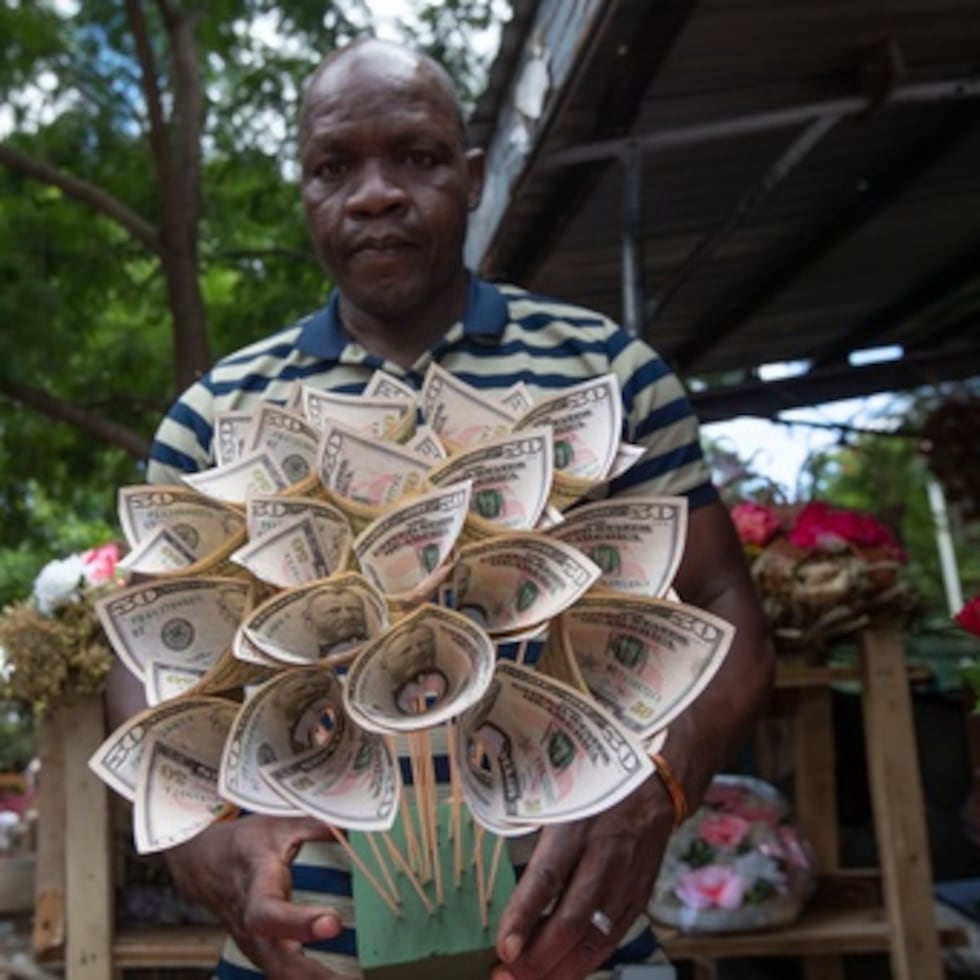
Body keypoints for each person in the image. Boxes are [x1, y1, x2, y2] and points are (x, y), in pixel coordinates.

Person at [107, 36, 774, 980]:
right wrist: (197, 843)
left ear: (468, 178)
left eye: (415, 157)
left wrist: (655, 791)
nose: (374, 193)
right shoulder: (216, 417)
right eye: (333, 167)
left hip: (572, 938)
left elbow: (725, 612)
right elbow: (144, 665)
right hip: (308, 949)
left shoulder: (608, 375)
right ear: (304, 191)